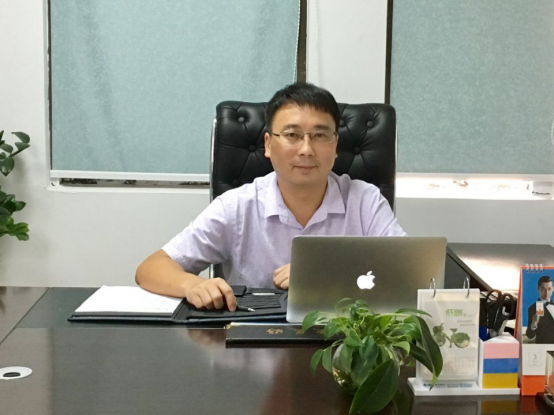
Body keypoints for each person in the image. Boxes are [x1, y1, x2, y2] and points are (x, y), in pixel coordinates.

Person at [136, 82, 405, 311]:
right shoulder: (236, 206)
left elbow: (409, 274)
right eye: (292, 135)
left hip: (344, 340)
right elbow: (151, 268)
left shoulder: (365, 201)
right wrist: (192, 285)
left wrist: (325, 274)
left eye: (320, 135)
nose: (306, 149)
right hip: (251, 338)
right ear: (268, 144)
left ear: (335, 145)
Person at [526, 275, 554, 344]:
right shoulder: (532, 308)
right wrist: (533, 324)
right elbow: (530, 336)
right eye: (543, 289)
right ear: (538, 288)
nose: (546, 292)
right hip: (543, 347)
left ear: (553, 289)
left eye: (549, 289)